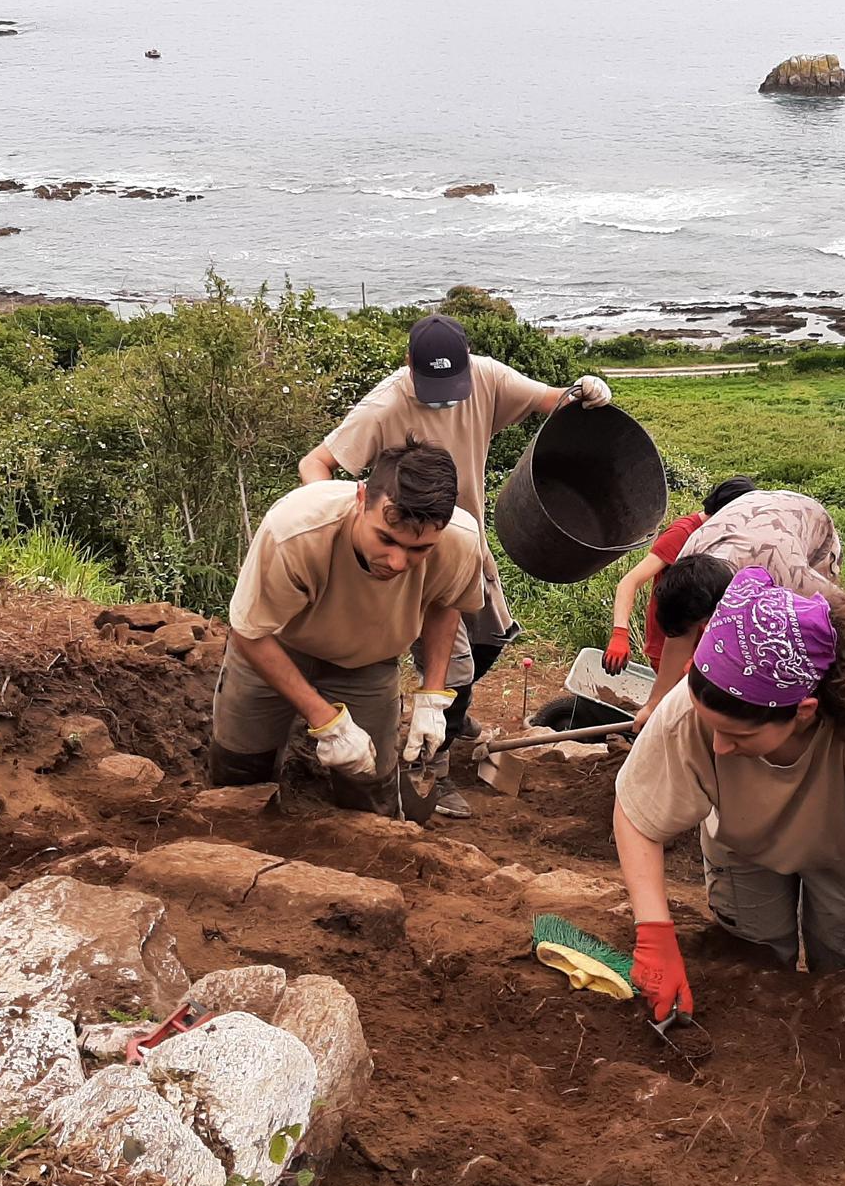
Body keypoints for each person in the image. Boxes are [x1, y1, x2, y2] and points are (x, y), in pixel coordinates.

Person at [612, 567, 845, 1136]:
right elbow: (638, 814)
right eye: (712, 730)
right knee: (752, 966)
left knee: (841, 974)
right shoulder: (693, 710)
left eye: (740, 738)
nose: (720, 746)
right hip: (740, 845)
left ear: (802, 710)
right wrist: (654, 935)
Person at [300, 312, 612, 817]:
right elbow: (315, 464)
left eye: (452, 382)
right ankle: (432, 768)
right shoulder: (383, 406)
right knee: (454, 665)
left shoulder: (485, 376)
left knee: (493, 639)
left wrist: (582, 391)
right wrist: (344, 526)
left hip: (467, 543)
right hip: (413, 555)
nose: (444, 396)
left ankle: (453, 712)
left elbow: (546, 399)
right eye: (432, 385)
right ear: (408, 365)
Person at [211, 440, 483, 818]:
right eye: (386, 539)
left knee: (371, 791)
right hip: (276, 647)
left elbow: (444, 603)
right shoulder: (295, 531)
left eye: (419, 550)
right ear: (361, 499)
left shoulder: (460, 541)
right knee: (239, 770)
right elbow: (250, 632)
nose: (398, 562)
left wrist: (433, 693)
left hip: (368, 663)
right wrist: (324, 719)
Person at [632, 487, 845, 728]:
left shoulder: (788, 576)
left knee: (801, 643)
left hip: (809, 526)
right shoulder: (690, 560)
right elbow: (679, 634)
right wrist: (655, 704)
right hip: (751, 513)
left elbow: (844, 617)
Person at [600, 476, 757, 675]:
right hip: (671, 643)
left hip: (699, 650)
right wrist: (620, 633)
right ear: (728, 512)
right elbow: (630, 582)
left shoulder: (719, 536)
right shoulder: (682, 534)